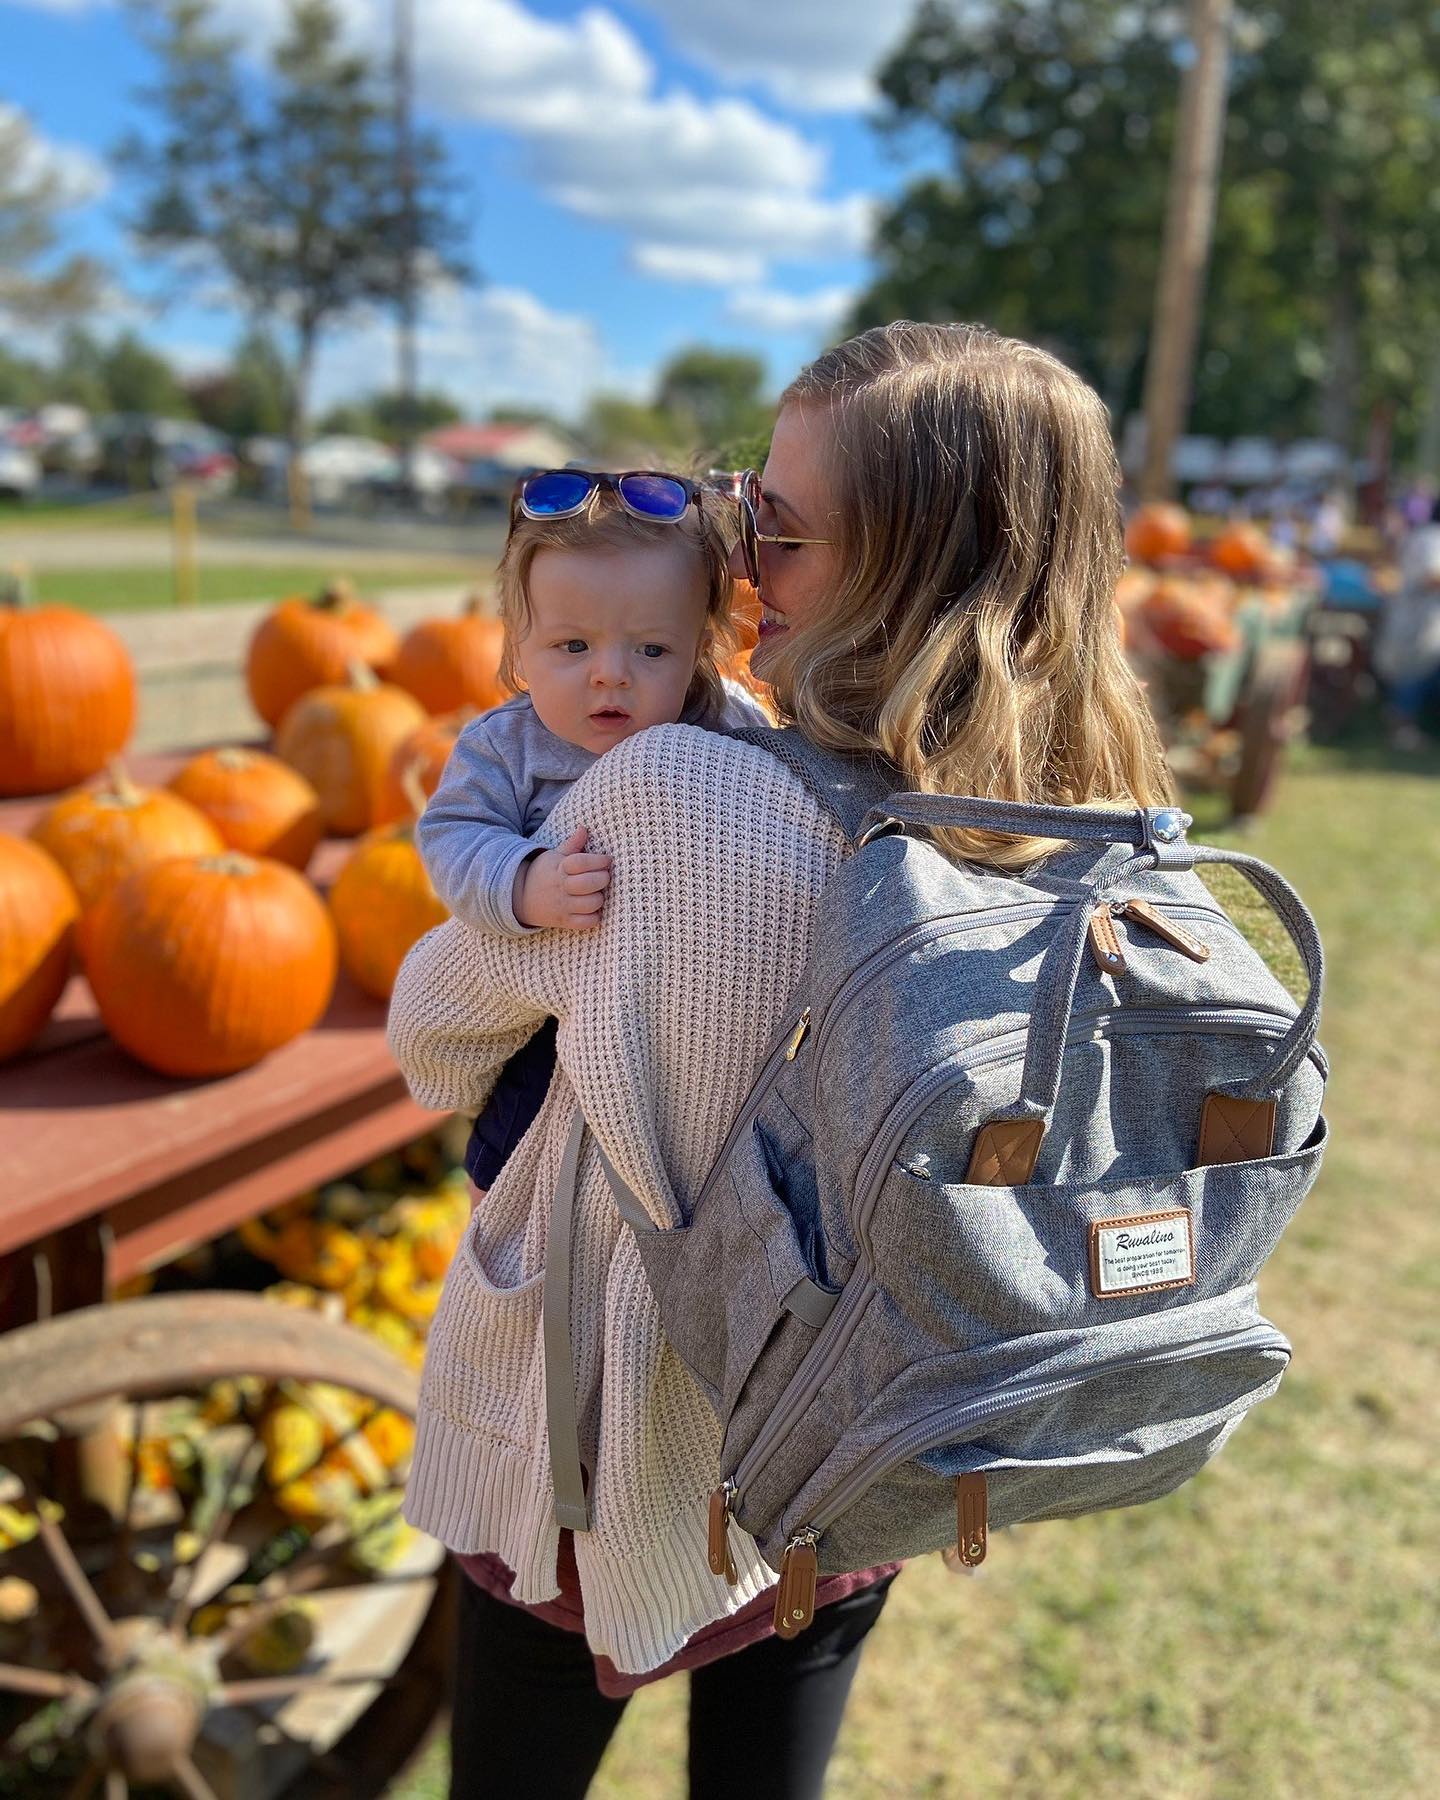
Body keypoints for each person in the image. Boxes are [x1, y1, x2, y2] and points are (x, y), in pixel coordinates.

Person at [386, 321, 1174, 1798]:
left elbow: (433, 1036)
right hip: (860, 1437)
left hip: (625, 1439)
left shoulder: (679, 797)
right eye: (748, 511)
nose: (744, 572)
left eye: (783, 536)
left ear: (905, 572)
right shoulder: (1077, 825)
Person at [415, 471, 768, 1198]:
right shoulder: (505, 746)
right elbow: (452, 834)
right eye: (573, 647)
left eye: (651, 651)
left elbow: (773, 812)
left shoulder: (727, 727)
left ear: (701, 645)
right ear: (520, 643)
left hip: (687, 1015)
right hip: (550, 1018)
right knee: (512, 1169)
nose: (610, 677)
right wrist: (522, 880)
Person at [1375, 493, 1440, 749]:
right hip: (1417, 618)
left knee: (1416, 672)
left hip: (1419, 617)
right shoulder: (1432, 538)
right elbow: (1431, 577)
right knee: (1410, 674)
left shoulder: (1425, 535)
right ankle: (1401, 731)